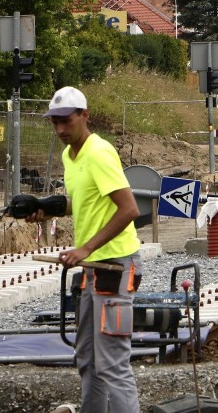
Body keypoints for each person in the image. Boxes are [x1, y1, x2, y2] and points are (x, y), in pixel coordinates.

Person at [26, 86, 142, 413]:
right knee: (88, 359)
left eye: (66, 121)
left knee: (113, 364)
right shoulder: (69, 155)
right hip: (94, 271)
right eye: (55, 123)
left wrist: (85, 248)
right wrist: (47, 210)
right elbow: (84, 202)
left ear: (84, 116)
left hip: (116, 268)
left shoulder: (99, 153)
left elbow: (129, 209)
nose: (61, 130)